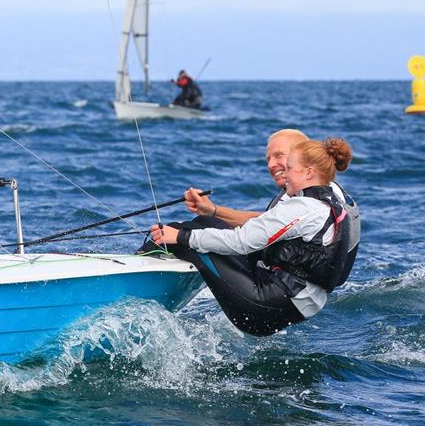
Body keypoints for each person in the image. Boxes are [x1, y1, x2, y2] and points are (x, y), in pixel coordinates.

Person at [149, 138, 358, 336]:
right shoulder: (329, 201)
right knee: (205, 224)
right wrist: (208, 214)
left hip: (268, 307)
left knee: (183, 238)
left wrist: (182, 237)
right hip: (290, 298)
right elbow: (262, 226)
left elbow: (241, 242)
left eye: (289, 169)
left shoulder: (305, 207)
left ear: (309, 173)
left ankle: (136, 277)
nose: (284, 175)